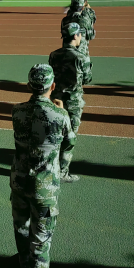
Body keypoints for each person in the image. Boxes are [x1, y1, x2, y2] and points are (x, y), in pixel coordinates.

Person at [10, 64, 75, 268]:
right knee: (41, 240)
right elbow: (69, 143)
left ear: (29, 85)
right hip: (44, 187)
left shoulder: (17, 111)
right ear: (53, 86)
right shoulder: (59, 115)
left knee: (21, 225)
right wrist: (62, 111)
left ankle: (23, 260)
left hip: (19, 180)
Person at [49, 23, 86, 182]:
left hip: (56, 99)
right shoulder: (80, 57)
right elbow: (87, 78)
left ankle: (50, 167)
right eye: (80, 34)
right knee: (69, 137)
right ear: (75, 36)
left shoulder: (54, 55)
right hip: (73, 102)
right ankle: (62, 172)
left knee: (55, 134)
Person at [62, 0, 94, 83]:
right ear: (82, 7)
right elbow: (91, 35)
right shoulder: (85, 19)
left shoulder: (65, 20)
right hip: (82, 49)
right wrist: (87, 5)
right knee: (82, 70)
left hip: (67, 49)